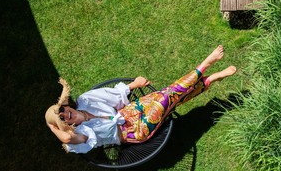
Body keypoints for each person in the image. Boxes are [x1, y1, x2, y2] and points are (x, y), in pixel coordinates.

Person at [45, 45, 237, 153]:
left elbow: (111, 95)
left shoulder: (86, 100)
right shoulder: (82, 134)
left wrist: (133, 85)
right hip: (134, 131)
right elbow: (67, 138)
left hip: (130, 111)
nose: (65, 114)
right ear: (64, 125)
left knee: (172, 99)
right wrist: (52, 126)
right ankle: (205, 65)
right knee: (168, 97)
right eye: (61, 118)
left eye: (61, 109)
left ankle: (210, 79)